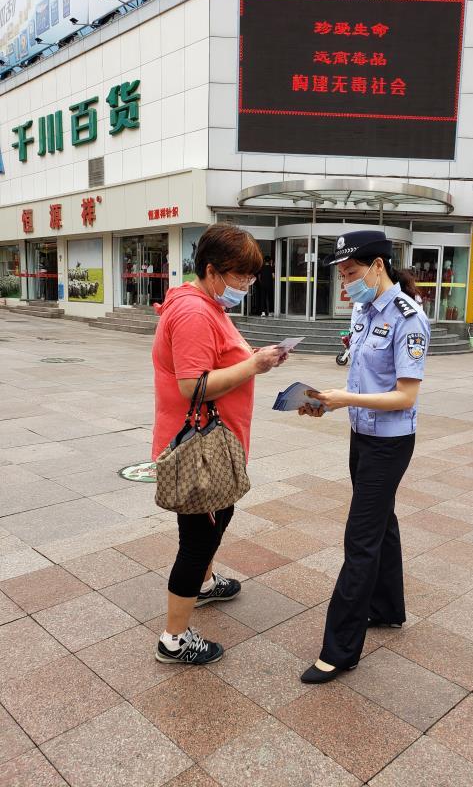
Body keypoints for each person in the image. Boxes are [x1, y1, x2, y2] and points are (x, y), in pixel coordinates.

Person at [296, 230, 430, 684]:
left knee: (361, 539)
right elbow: (360, 376)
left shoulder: (409, 318)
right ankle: (389, 608)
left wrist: (345, 399)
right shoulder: (362, 310)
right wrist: (326, 400)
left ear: (378, 266)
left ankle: (340, 649)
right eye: (341, 274)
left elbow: (404, 398)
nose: (345, 282)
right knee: (381, 522)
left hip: (390, 443)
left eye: (351, 272)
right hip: (361, 436)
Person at [151, 224, 286, 665]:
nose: (246, 285)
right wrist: (255, 366)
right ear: (211, 270)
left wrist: (252, 360)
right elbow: (194, 385)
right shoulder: (193, 312)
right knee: (200, 537)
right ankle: (174, 638)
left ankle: (205, 586)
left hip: (212, 442)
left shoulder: (206, 303)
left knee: (209, 524)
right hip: (199, 447)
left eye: (250, 277)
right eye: (240, 276)